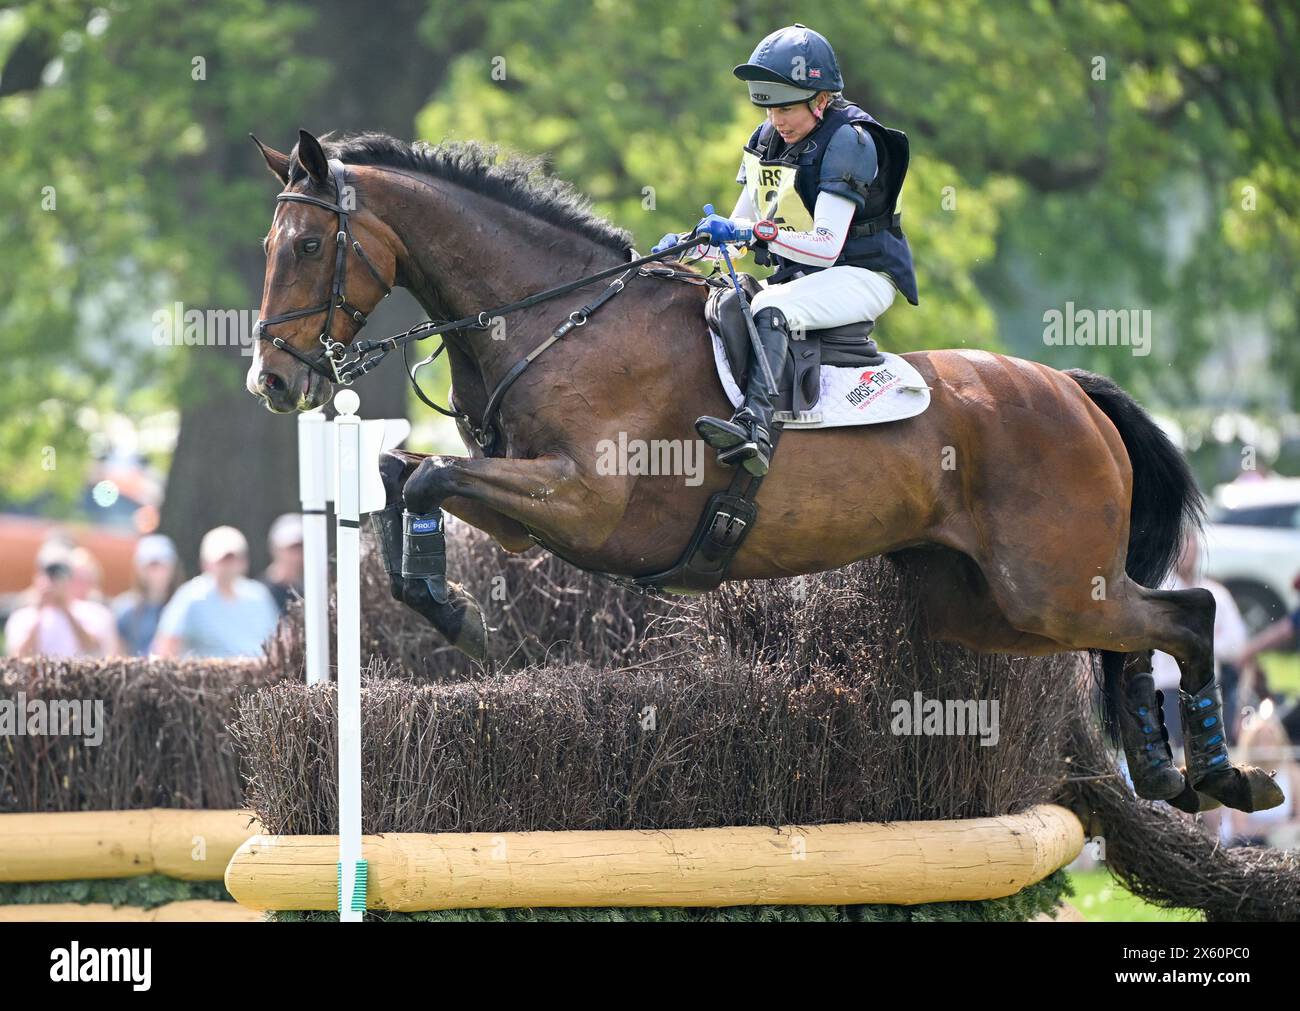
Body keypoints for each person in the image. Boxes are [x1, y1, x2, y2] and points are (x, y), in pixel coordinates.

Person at [651, 23, 918, 476]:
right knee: (712, 302)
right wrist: (690, 248)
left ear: (821, 99)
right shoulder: (765, 140)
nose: (777, 121)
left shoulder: (850, 141)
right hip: (802, 276)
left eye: (788, 109)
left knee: (770, 306)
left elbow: (826, 248)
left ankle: (755, 431)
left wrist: (753, 234)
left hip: (861, 275)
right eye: (769, 108)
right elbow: (737, 231)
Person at [1149, 532, 1249, 748]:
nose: (1188, 549)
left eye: (1191, 541)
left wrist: (1193, 642)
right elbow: (1162, 641)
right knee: (1176, 752)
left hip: (1209, 688)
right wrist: (1208, 639)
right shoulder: (1159, 593)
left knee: (1212, 751)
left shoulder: (1217, 593)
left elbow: (1237, 644)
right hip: (1169, 689)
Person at [151, 526, 280, 659]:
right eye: (223, 560)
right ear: (205, 563)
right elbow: (165, 647)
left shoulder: (259, 596)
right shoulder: (191, 597)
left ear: (244, 561)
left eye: (233, 559)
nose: (228, 565)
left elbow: (276, 643)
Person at [4, 541, 120, 657]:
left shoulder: (95, 613)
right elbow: (18, 657)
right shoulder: (22, 617)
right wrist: (40, 610)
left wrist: (65, 608)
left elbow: (94, 650)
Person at [113, 534, 180, 656]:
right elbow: (117, 653)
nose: (157, 573)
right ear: (140, 570)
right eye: (152, 566)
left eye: (162, 566)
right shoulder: (124, 609)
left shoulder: (182, 607)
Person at [261, 513, 305, 614]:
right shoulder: (259, 591)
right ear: (275, 549)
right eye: (292, 548)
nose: (297, 554)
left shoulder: (308, 592)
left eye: (300, 547)